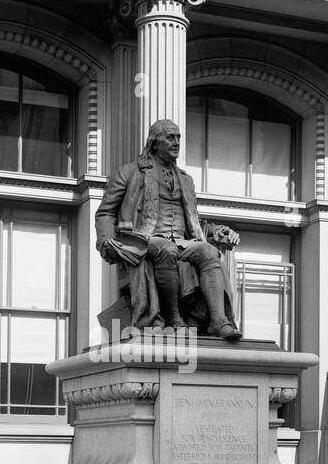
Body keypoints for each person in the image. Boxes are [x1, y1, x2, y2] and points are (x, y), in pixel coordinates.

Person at [95, 118, 242, 339]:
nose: (176, 142)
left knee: (209, 252)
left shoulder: (186, 179)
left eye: (178, 137)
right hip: (144, 237)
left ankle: (219, 322)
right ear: (155, 143)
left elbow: (192, 221)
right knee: (166, 249)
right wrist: (106, 241)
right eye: (170, 137)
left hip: (184, 241)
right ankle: (174, 319)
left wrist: (215, 232)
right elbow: (106, 212)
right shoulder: (128, 172)